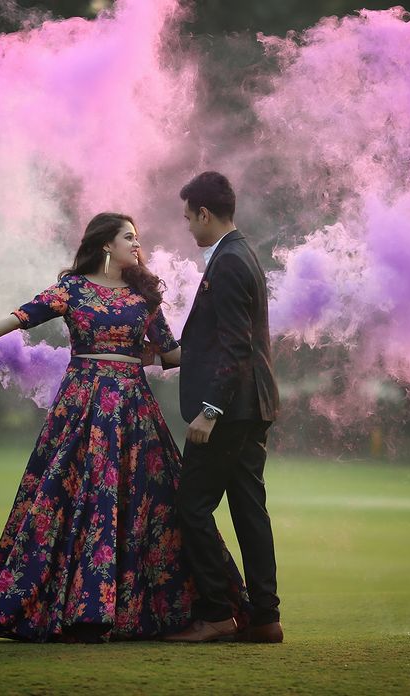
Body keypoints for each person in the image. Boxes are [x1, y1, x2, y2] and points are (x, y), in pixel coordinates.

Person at [0, 212, 250, 642]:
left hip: (134, 410)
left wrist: (233, 344)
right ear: (105, 245)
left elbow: (173, 356)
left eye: (137, 238)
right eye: (128, 238)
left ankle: (166, 613)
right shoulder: (73, 290)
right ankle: (79, 612)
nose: (137, 245)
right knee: (69, 500)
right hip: (81, 408)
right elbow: (17, 318)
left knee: (149, 506)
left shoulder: (143, 295)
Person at [164, 172, 283, 643]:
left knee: (190, 506)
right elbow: (218, 343)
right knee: (250, 511)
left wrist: (209, 411)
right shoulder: (241, 253)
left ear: (205, 213)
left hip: (230, 411)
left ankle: (217, 613)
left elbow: (236, 348)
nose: (188, 227)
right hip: (250, 407)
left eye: (189, 218)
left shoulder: (229, 262)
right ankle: (265, 617)